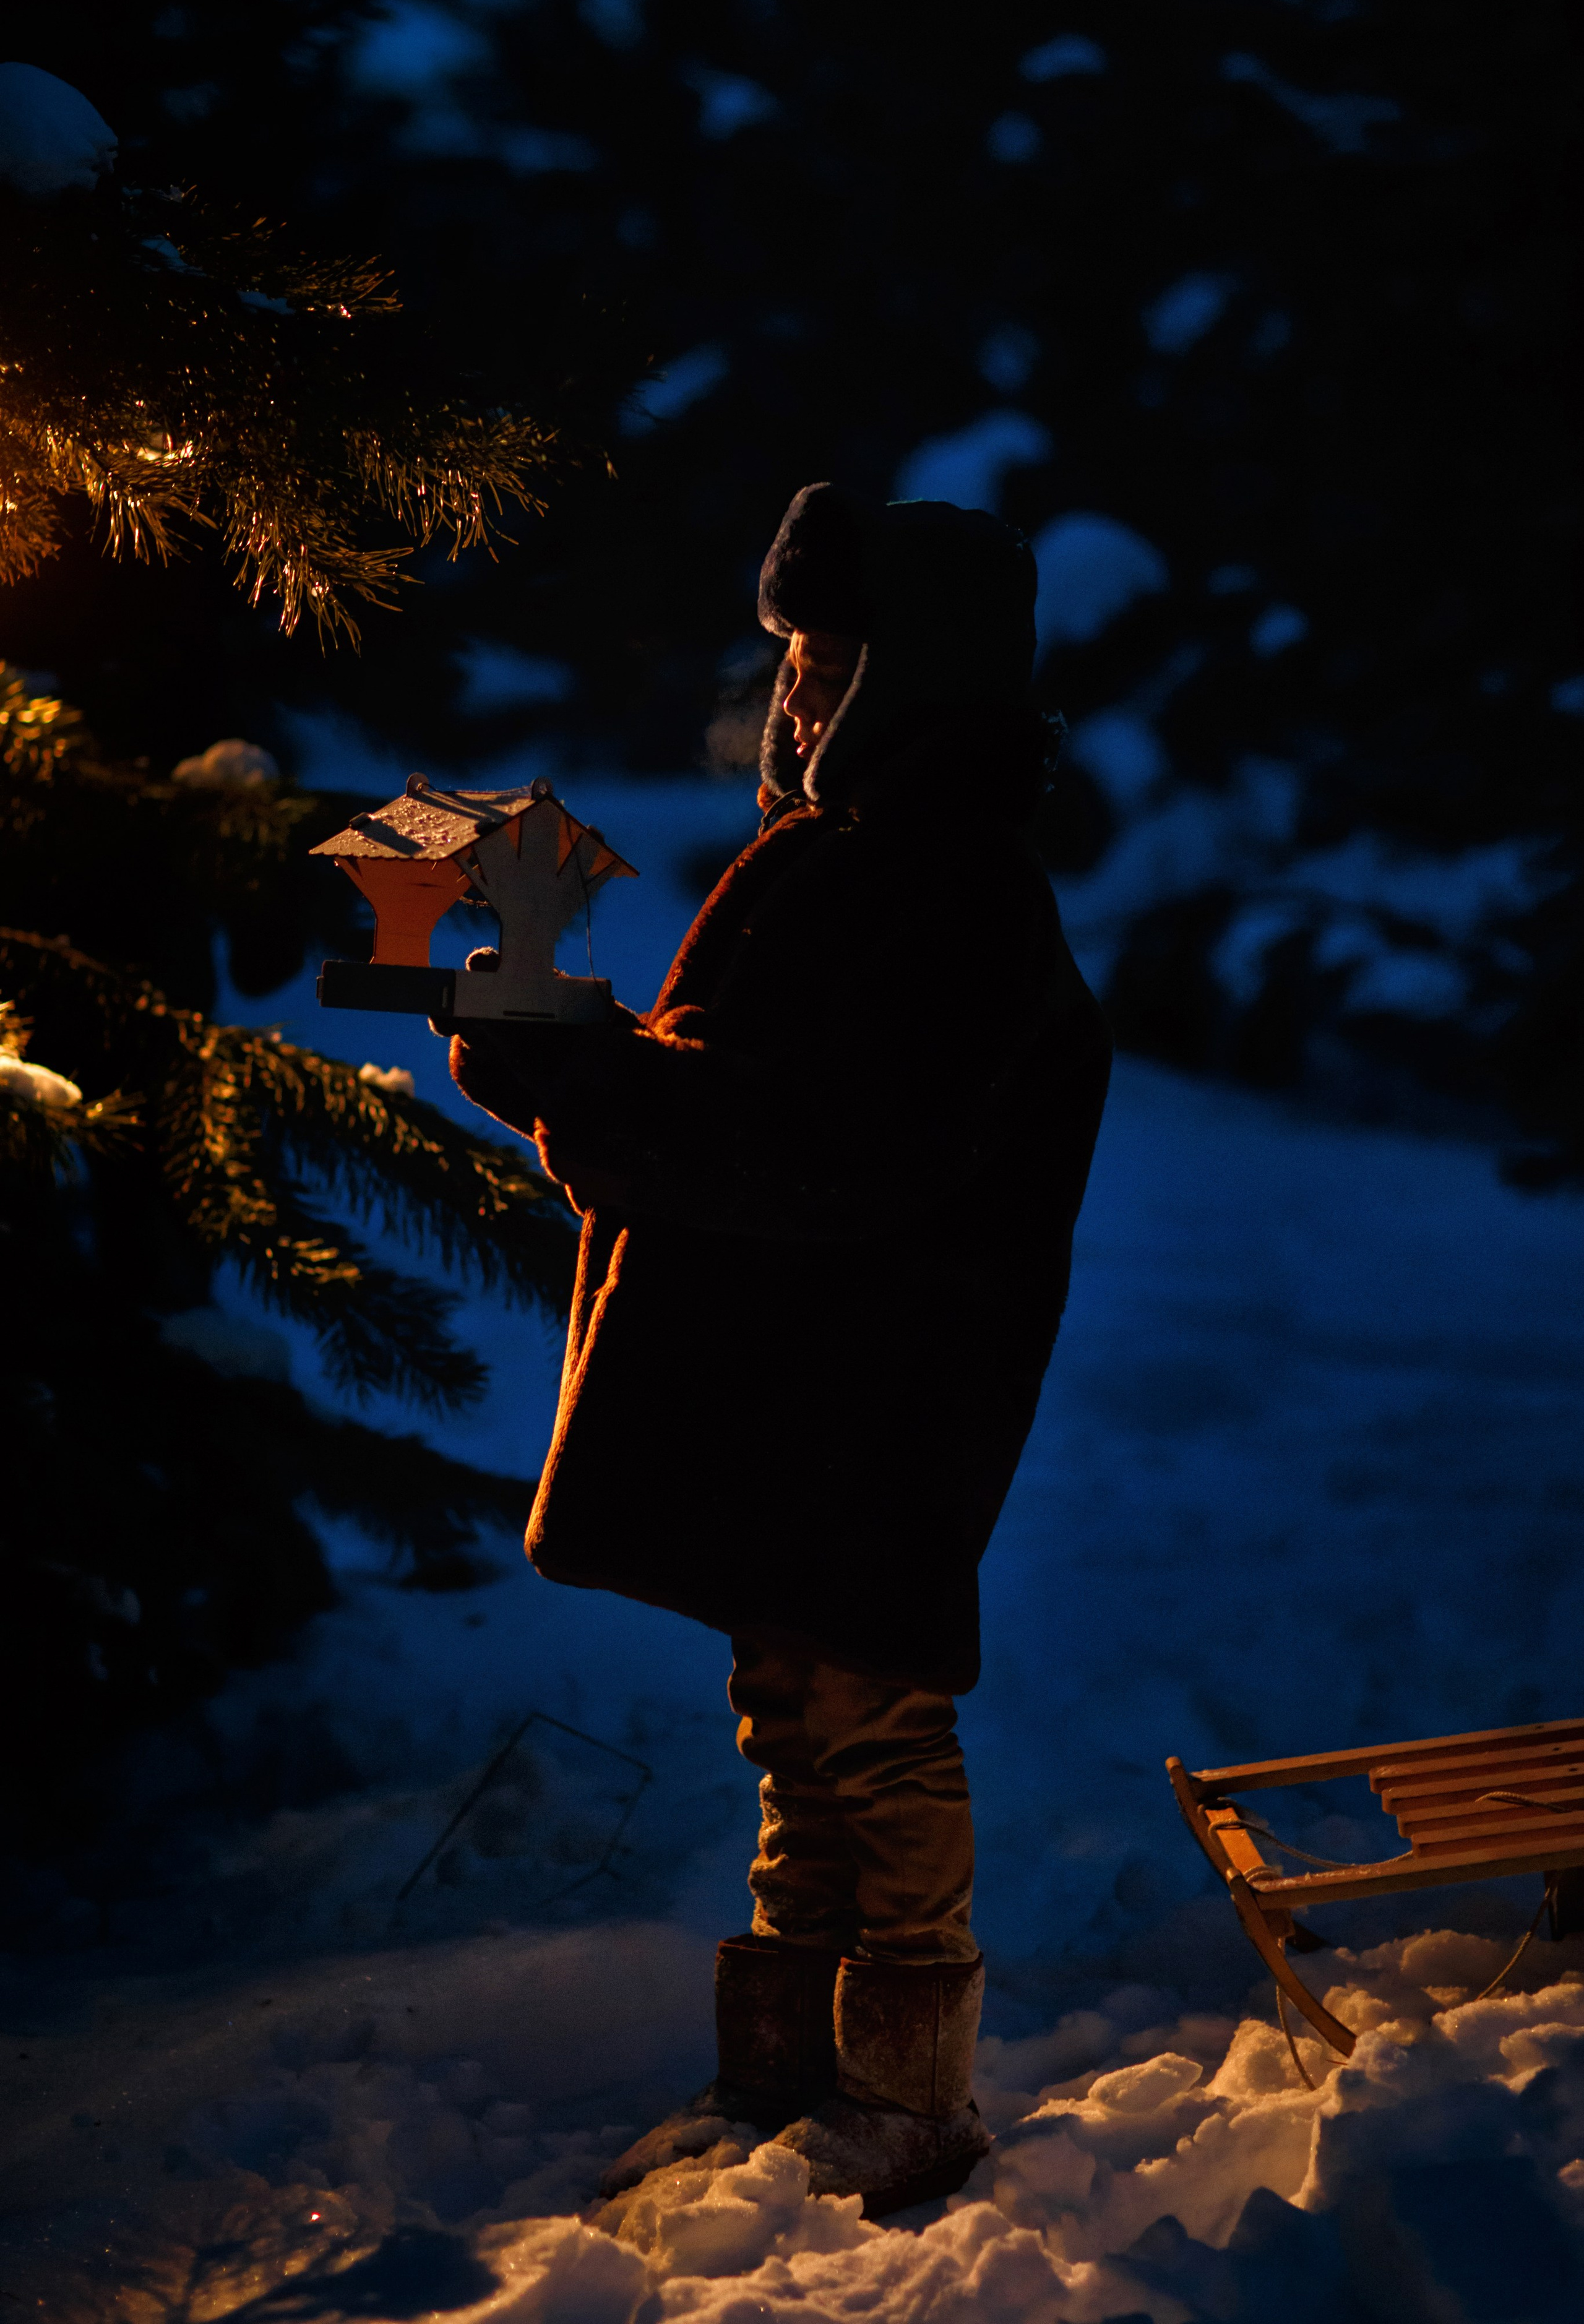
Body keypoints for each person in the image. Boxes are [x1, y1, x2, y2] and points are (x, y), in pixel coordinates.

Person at [447, 481, 1111, 2217]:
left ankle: (905, 2090)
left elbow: (829, 1152)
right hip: (785, 1393)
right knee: (795, 1725)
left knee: (871, 1723)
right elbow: (722, 1105)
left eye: (828, 659)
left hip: (877, 1398)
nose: (795, 694)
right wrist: (565, 1056)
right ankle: (781, 2074)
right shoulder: (833, 859)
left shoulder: (953, 891)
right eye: (794, 660)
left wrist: (585, 1072)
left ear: (912, 673)